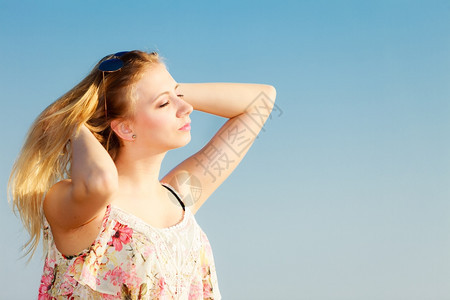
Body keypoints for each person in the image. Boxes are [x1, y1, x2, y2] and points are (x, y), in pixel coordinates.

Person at [8, 50, 276, 299]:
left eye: (179, 98)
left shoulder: (180, 196)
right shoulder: (77, 204)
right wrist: (72, 121)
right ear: (125, 128)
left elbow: (261, 101)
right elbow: (101, 183)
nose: (186, 108)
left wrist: (165, 87)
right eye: (163, 105)